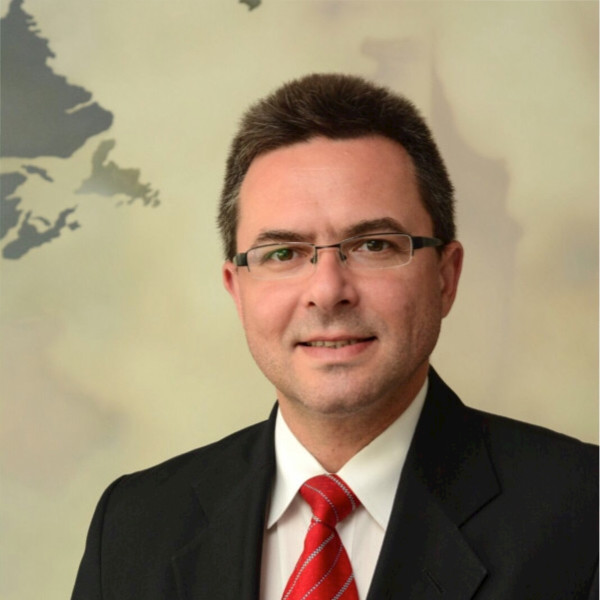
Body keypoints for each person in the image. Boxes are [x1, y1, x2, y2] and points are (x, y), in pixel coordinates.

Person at [72, 74, 598, 600]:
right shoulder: (133, 527)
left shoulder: (583, 514)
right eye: (283, 253)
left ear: (445, 277)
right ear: (237, 289)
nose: (327, 292)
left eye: (373, 245)